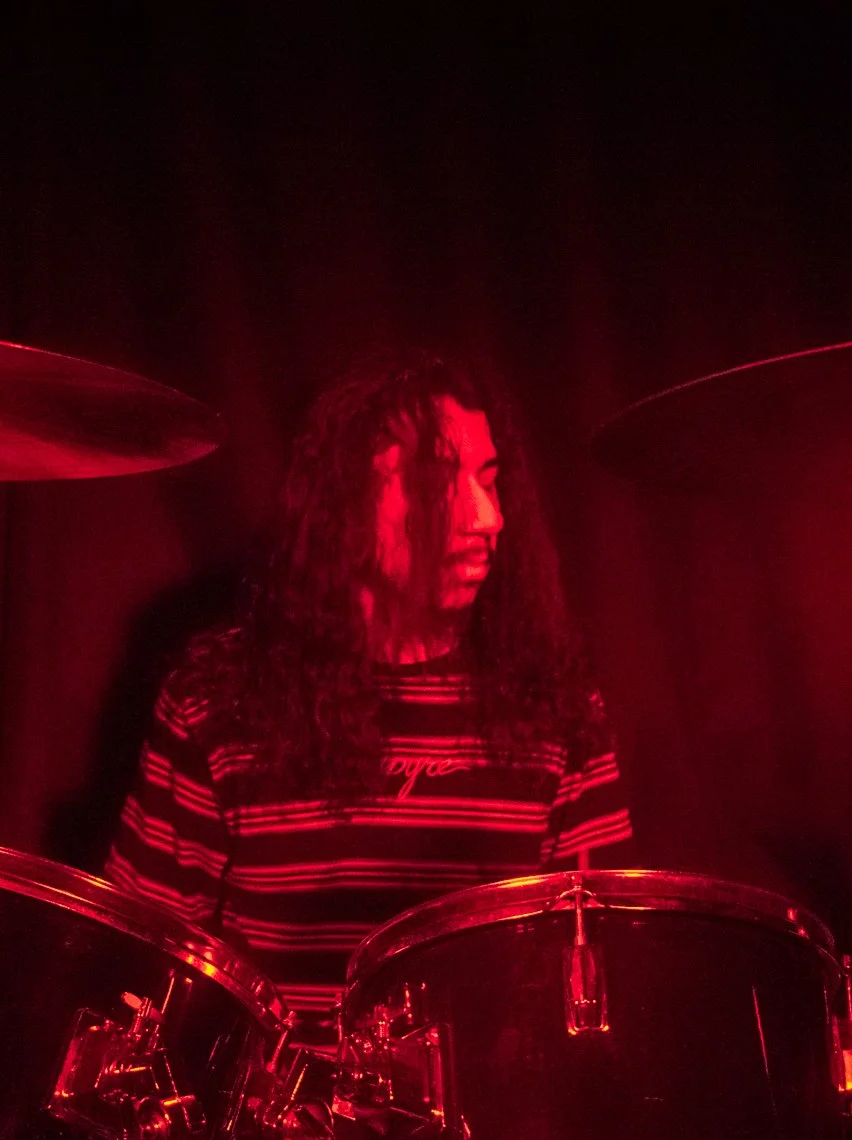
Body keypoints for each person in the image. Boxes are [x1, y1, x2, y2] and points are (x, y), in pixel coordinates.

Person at [105, 349, 632, 1028]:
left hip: (488, 1091)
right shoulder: (219, 703)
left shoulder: (555, 706)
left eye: (490, 479)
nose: (489, 518)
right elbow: (139, 966)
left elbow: (601, 969)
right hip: (283, 1093)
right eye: (440, 482)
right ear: (346, 502)